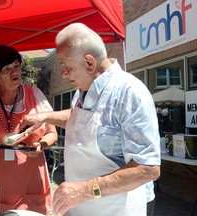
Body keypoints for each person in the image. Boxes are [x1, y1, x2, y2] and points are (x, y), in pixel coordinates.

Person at [19, 23, 161, 216]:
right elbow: (82, 119)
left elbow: (148, 168)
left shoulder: (130, 93)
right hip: (81, 208)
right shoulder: (83, 91)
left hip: (117, 209)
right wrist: (45, 117)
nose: (63, 73)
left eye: (66, 65)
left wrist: (83, 191)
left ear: (89, 62)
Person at [0, 45, 58, 214]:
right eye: (6, 69)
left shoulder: (35, 95)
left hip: (32, 181)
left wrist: (41, 145)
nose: (14, 72)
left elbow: (53, 134)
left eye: (16, 66)